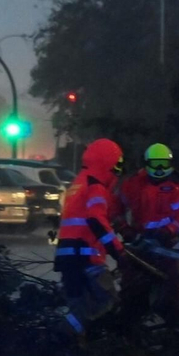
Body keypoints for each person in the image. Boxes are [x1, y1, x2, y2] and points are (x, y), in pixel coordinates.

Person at [53, 137, 126, 337]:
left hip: (68, 258)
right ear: (106, 162)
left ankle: (66, 342)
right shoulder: (96, 186)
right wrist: (118, 252)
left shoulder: (78, 184)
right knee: (109, 301)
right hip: (86, 257)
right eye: (117, 165)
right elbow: (96, 220)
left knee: (78, 307)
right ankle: (67, 336)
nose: (118, 171)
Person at [118, 143, 179, 245]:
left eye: (163, 163)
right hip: (138, 238)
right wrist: (124, 228)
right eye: (155, 163)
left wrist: (169, 230)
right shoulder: (133, 184)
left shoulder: (176, 187)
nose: (159, 168)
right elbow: (116, 207)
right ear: (147, 163)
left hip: (166, 240)